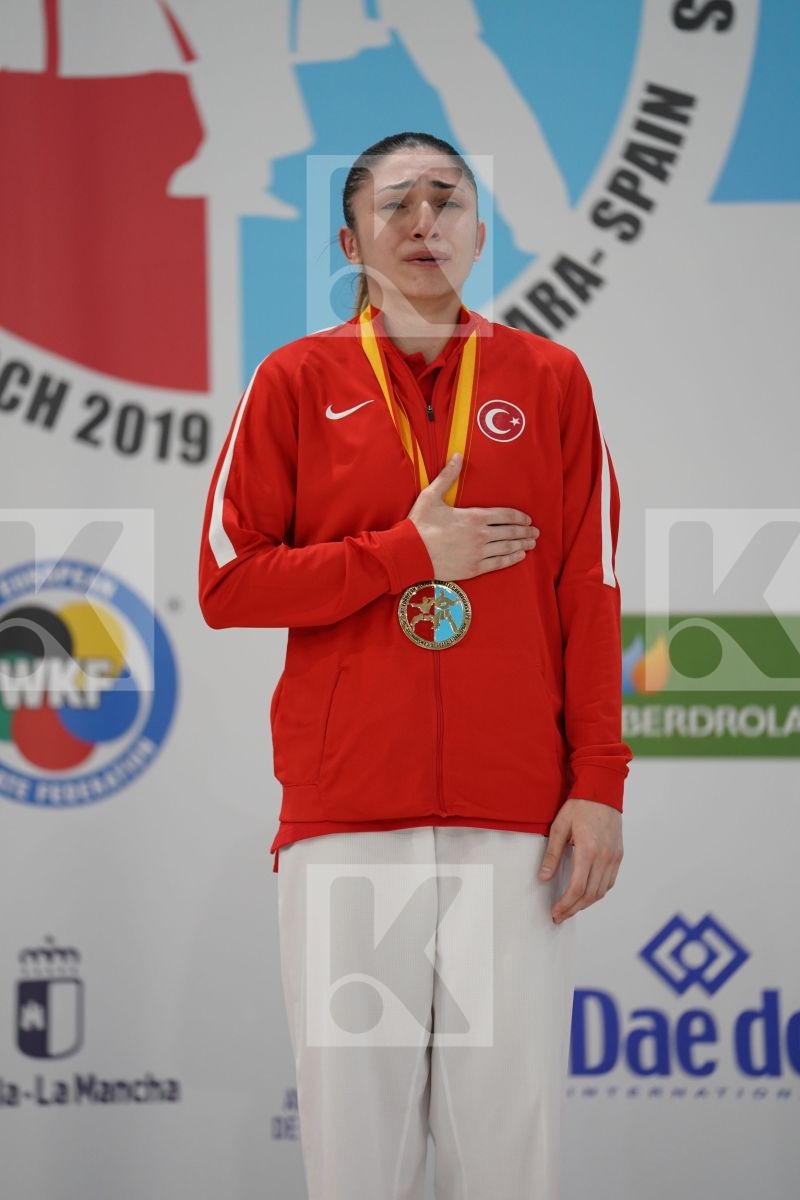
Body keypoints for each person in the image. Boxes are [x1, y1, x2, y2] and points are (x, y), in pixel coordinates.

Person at [198, 131, 633, 1200]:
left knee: (505, 1153)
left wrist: (598, 785)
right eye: (397, 205)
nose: (424, 221)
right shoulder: (294, 380)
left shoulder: (549, 378)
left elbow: (587, 591)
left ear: (479, 231)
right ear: (351, 239)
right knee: (359, 1154)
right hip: (351, 820)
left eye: (447, 199)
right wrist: (406, 556)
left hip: (515, 825)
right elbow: (226, 583)